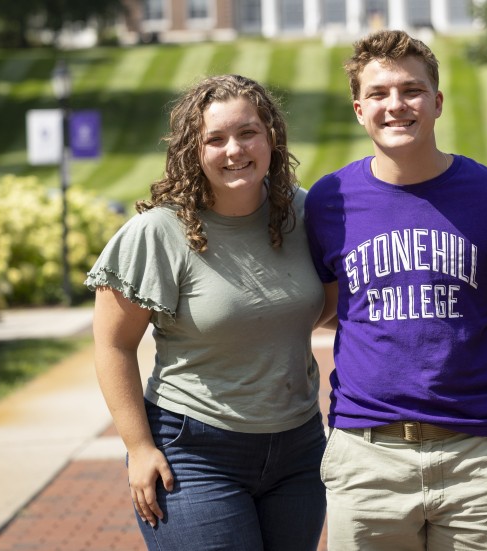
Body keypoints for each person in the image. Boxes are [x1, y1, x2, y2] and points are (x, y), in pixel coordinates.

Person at [304, 29, 487, 551]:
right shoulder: (328, 200)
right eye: (380, 94)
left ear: (436, 102)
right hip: (368, 456)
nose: (397, 105)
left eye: (411, 91)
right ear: (359, 110)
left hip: (479, 454)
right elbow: (320, 307)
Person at [86, 74, 326, 550]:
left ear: (271, 137)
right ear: (192, 151)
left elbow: (327, 306)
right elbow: (113, 345)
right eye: (215, 139)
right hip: (194, 452)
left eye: (247, 132)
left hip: (299, 450)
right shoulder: (158, 233)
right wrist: (138, 448)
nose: (234, 149)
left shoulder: (304, 214)